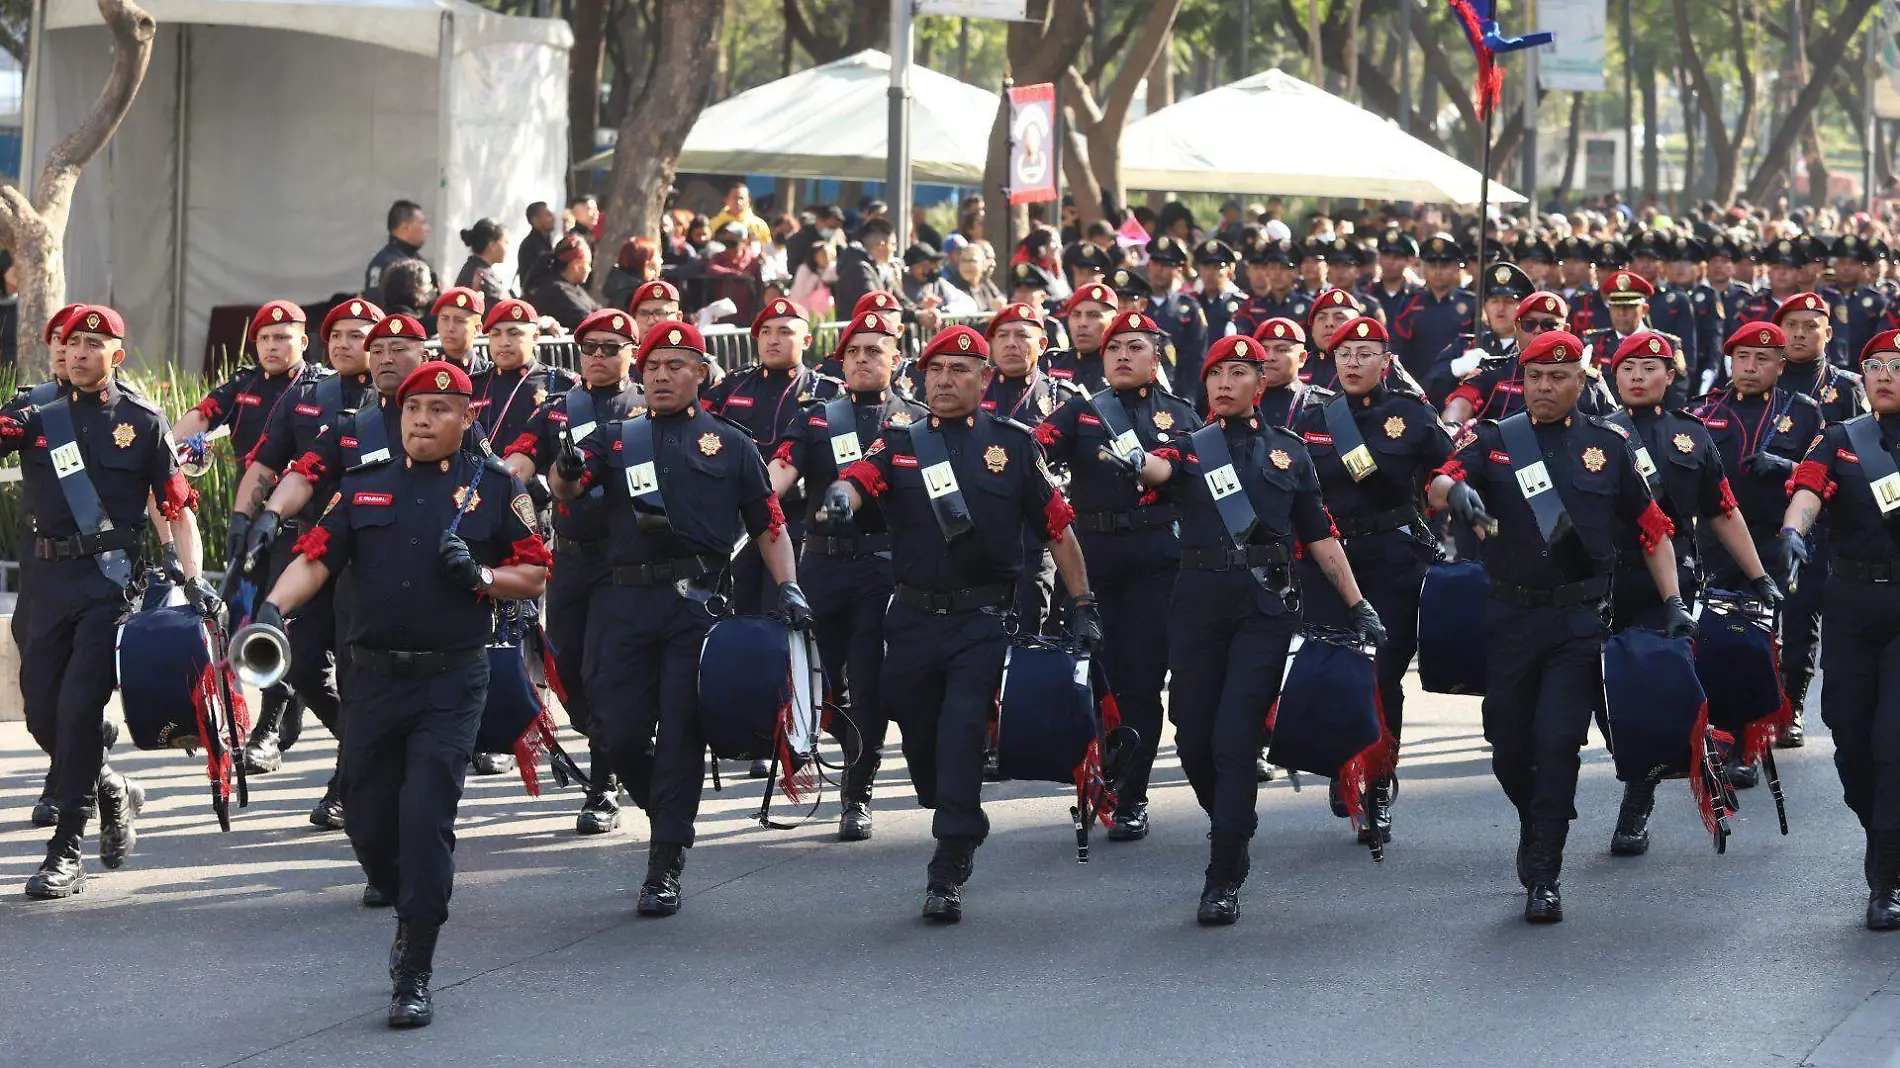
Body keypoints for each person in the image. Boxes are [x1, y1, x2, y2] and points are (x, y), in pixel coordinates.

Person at [257, 359, 549, 1027]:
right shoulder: (363, 488)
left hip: (452, 679)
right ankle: (399, 893)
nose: (422, 418)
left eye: (440, 409)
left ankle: (415, 963)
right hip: (371, 680)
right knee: (367, 821)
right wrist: (274, 609)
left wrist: (481, 575)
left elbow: (533, 573)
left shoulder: (496, 489)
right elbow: (315, 558)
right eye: (414, 408)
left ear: (467, 418)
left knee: (425, 820)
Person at [822, 324, 1093, 923]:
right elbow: (860, 480)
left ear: (985, 379)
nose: (945, 381)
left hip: (981, 619)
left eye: (960, 371)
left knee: (962, 730)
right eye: (936, 371)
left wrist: (1082, 605)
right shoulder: (899, 442)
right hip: (912, 619)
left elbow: (1059, 528)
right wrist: (842, 498)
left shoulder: (1015, 445)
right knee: (920, 740)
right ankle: (947, 803)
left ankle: (951, 857)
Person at [1426, 329, 1693, 924]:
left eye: (1557, 377)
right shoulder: (1495, 440)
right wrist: (1459, 493)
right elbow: (1440, 478)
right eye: (1535, 378)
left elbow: (1652, 528)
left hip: (1577, 619)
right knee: (1507, 742)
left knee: (1558, 742)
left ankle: (1545, 868)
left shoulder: (1610, 445)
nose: (1544, 388)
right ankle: (1536, 816)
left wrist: (1673, 601)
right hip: (1508, 616)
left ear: (1580, 381)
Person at [1120, 333, 1383, 925]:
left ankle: (1224, 868)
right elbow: (1159, 471)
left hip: (1263, 609)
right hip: (1196, 603)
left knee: (1234, 739)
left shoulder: (1290, 452)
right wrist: (1137, 460)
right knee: (1191, 734)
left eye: (1238, 373)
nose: (1223, 383)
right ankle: (1231, 818)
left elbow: (1319, 536)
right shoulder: (1189, 448)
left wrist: (1356, 603)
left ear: (1258, 384)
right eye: (1215, 373)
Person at [550, 319, 804, 917]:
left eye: (676, 365)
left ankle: (665, 859)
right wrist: (564, 468)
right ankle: (663, 811)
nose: (662, 375)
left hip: (693, 607)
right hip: (621, 603)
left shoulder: (733, 443)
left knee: (683, 731)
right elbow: (565, 488)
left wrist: (789, 586)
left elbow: (769, 521)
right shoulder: (615, 437)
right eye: (654, 366)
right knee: (617, 729)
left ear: (702, 373)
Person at [2, 305, 214, 898]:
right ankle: (110, 786)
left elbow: (175, 506)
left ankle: (64, 851)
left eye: (92, 344)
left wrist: (192, 581)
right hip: (44, 584)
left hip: (107, 585)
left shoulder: (143, 421)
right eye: (70, 344)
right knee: (43, 714)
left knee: (76, 709)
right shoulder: (35, 412)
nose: (77, 353)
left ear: (116, 355)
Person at [1601, 329, 1780, 854]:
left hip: (1667, 580)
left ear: (1669, 375)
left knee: (1647, 695)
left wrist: (1757, 575)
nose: (1637, 377)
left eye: (1649, 368)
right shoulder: (1592, 432)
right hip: (1596, 577)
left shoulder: (1692, 436)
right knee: (1600, 697)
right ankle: (1637, 757)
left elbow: (1722, 510)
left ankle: (1637, 802)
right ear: (1614, 376)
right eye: (1627, 368)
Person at [1033, 310, 1201, 841]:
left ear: (1156, 357)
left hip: (1158, 559)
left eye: (1135, 347)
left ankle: (1132, 795)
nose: (1123, 356)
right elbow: (1029, 451)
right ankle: (1097, 777)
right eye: (1114, 348)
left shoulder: (1181, 414)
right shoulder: (1079, 413)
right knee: (1092, 679)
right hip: (1094, 558)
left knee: (1142, 684)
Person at [1291, 317, 1452, 847]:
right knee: (1334, 667)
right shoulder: (1313, 418)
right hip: (1329, 561)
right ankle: (1346, 764)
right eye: (1345, 354)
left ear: (1386, 361)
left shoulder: (1411, 413)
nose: (1354, 363)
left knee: (1381, 676)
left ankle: (1378, 781)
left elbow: (1449, 470)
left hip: (1391, 557)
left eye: (1365, 354)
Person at [766, 310, 926, 840]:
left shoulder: (919, 421)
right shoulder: (816, 418)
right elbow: (780, 474)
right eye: (854, 351)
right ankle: (845, 740)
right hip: (824, 566)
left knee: (872, 684)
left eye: (874, 351)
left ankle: (857, 792)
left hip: (885, 569)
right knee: (817, 682)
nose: (862, 359)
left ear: (895, 360)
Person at [235, 299, 385, 828]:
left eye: (358, 334)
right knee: (298, 662)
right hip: (306, 551)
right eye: (337, 334)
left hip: (370, 558)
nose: (346, 343)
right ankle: (370, 752)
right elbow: (267, 463)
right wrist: (244, 520)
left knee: (356, 671)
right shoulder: (305, 398)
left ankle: (347, 784)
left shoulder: (400, 400)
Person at [503, 307, 648, 834]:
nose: (600, 357)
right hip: (569, 557)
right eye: (590, 348)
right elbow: (518, 459)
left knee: (601, 670)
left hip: (625, 562)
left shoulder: (647, 407)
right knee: (564, 671)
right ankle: (615, 739)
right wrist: (507, 483)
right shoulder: (557, 410)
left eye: (612, 347)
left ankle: (603, 785)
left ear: (633, 353)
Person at [171, 300, 323, 774]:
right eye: (264, 339)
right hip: (249, 521)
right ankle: (285, 699)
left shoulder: (320, 386)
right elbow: (197, 419)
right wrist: (174, 451)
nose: (273, 346)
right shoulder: (243, 385)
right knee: (252, 619)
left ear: (303, 340)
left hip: (307, 528)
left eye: (283, 337)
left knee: (278, 623)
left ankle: (268, 731)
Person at [1781, 327, 1900, 930]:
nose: (1883, 374)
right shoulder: (1841, 438)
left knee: (1893, 744)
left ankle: (1885, 875)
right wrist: (1794, 532)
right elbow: (1808, 489)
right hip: (1851, 602)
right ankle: (1883, 831)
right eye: (1875, 365)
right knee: (1850, 736)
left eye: (1897, 365)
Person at [704, 297, 843, 617]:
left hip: (796, 524)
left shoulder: (828, 392)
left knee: (782, 619)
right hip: (737, 523)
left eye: (784, 332)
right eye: (765, 332)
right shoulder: (733, 386)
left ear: (806, 341)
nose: (772, 340)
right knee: (737, 617)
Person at [1392, 237, 1475, 384]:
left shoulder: (1471, 303)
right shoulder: (1410, 302)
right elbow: (1400, 350)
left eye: (1444, 265)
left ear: (1456, 267)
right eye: (1432, 265)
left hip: (1458, 388)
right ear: (1424, 268)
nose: (1438, 271)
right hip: (1419, 388)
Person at [1044, 281, 1120, 395]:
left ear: (1114, 322)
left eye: (1093, 315)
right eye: (1076, 315)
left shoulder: (1123, 367)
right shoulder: (1053, 362)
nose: (1082, 323)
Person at [1233, 239, 1312, 339]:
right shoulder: (1250, 308)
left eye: (1284, 268)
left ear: (1296, 272)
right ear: (1267, 271)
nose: (1277, 273)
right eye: (1273, 267)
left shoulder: (1309, 307)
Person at [529, 236, 600, 333]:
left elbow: (599, 312)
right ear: (576, 265)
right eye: (588, 264)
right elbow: (593, 322)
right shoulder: (557, 291)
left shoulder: (573, 288)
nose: (590, 269)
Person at [367, 200, 433, 297]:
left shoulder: (412, 259)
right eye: (422, 223)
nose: (428, 229)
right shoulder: (393, 264)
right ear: (406, 227)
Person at [429, 288, 491, 374]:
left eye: (459, 321)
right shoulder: (427, 373)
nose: (450, 328)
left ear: (477, 329)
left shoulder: (488, 375)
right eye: (445, 319)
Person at [453, 218, 509, 307]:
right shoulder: (480, 276)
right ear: (492, 245)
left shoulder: (477, 269)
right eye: (506, 242)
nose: (507, 248)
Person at [708, 180, 771, 249]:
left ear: (748, 200)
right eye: (735, 198)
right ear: (726, 200)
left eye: (741, 198)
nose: (738, 202)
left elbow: (767, 249)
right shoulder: (713, 224)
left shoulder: (759, 225)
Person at [518, 201, 561, 295]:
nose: (553, 218)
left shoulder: (547, 242)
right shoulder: (529, 246)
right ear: (535, 220)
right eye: (548, 215)